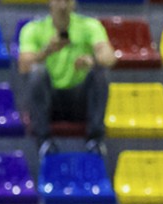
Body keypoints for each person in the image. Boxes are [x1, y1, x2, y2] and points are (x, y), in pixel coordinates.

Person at [18, 0, 116, 158]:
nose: (62, 6)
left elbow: (109, 58)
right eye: (58, 0)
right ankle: (44, 141)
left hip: (79, 101)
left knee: (99, 72)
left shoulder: (90, 25)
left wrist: (92, 60)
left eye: (67, 1)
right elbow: (23, 66)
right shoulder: (32, 29)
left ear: (74, 3)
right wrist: (46, 51)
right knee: (37, 72)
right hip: (49, 102)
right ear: (50, 3)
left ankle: (95, 140)